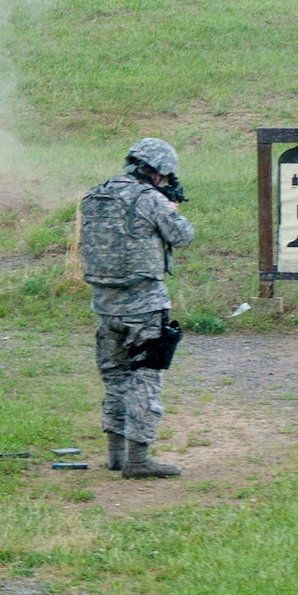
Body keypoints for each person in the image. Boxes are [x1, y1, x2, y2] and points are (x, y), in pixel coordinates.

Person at [79, 137, 194, 478]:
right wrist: (171, 211)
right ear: (157, 172)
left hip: (104, 304)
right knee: (145, 377)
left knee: (114, 377)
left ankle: (115, 455)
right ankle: (139, 459)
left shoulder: (95, 195)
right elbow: (183, 237)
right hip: (143, 305)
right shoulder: (150, 200)